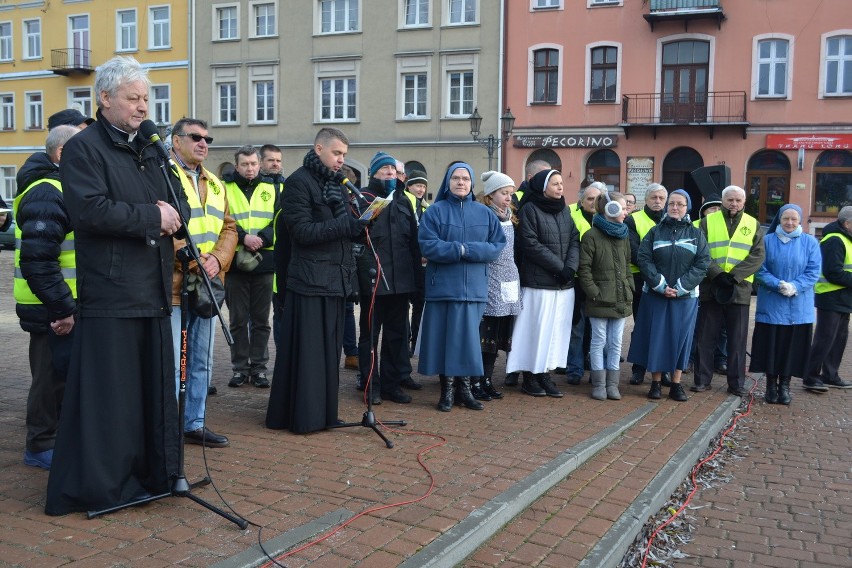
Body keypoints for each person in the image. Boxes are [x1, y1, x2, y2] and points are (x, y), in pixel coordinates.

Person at [45, 55, 187, 515]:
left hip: (152, 288)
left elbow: (179, 202)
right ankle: (107, 484)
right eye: (133, 98)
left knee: (150, 392)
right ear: (105, 98)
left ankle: (151, 473)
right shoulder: (85, 148)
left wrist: (171, 213)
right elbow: (89, 211)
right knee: (114, 398)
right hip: (111, 291)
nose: (143, 107)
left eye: (146, 98)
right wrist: (153, 216)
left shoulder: (150, 147)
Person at [266, 127, 366, 433]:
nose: (341, 160)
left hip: (335, 280)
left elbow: (340, 229)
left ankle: (324, 413)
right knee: (309, 354)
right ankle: (304, 416)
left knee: (329, 355)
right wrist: (346, 225)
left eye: (344, 155)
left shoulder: (336, 184)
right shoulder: (298, 183)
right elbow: (303, 232)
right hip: (308, 282)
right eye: (337, 153)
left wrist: (361, 224)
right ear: (318, 149)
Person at [14, 125, 80, 469]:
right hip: (50, 305)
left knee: (60, 375)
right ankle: (40, 445)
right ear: (61, 154)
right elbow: (39, 259)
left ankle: (54, 439)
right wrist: (61, 307)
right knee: (49, 377)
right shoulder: (47, 190)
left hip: (56, 301)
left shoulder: (58, 186)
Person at [169, 118, 237, 446]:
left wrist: (218, 260)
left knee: (201, 359)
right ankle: (167, 427)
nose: (203, 143)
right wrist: (197, 261)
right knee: (170, 362)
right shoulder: (164, 175)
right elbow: (165, 226)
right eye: (195, 137)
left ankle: (194, 422)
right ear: (175, 141)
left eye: (207, 138)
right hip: (173, 286)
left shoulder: (214, 181)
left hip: (207, 286)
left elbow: (229, 227)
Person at [418, 162, 505, 412]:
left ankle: (465, 390)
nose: (460, 182)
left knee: (467, 342)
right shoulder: (435, 212)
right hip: (443, 287)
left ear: (472, 183)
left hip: (474, 288)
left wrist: (470, 250)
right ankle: (447, 391)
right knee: (445, 341)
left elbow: (496, 245)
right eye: (456, 178)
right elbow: (428, 245)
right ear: (448, 181)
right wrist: (460, 249)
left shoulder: (485, 213)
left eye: (465, 178)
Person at [628, 190, 710, 402]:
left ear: (686, 208)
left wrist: (682, 286)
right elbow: (644, 259)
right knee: (656, 337)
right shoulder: (655, 232)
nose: (675, 207)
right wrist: (660, 285)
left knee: (681, 339)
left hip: (685, 297)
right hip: (656, 294)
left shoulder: (696, 233)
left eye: (680, 204)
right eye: (671, 203)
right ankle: (655, 383)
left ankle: (676, 383)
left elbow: (702, 263)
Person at [354, 151, 421, 405]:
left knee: (396, 336)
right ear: (374, 173)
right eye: (385, 170)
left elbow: (413, 244)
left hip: (401, 281)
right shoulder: (364, 198)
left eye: (393, 170)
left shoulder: (404, 201)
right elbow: (356, 238)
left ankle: (392, 384)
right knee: (369, 337)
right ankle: (370, 385)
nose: (390, 174)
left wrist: (416, 282)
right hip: (374, 280)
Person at [506, 169, 579, 398]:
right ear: (542, 187)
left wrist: (570, 269)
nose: (560, 188)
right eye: (555, 184)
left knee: (555, 332)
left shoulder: (565, 210)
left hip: (563, 285)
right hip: (539, 283)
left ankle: (545, 373)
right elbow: (530, 243)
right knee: (535, 331)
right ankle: (530, 376)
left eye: (561, 184)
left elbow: (574, 239)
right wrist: (560, 268)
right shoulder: (530, 209)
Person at [693, 185, 765, 397]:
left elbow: (758, 256)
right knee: (706, 338)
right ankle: (702, 380)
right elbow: (701, 250)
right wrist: (717, 274)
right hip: (711, 287)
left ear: (744, 202)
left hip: (739, 289)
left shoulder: (753, 224)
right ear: (722, 201)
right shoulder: (706, 222)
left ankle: (736, 384)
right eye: (730, 200)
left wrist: (733, 276)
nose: (734, 204)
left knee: (737, 340)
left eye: (738, 200)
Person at [748, 204, 820, 405]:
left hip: (798, 307)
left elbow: (814, 271)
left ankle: (785, 386)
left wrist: (795, 286)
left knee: (791, 348)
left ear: (800, 221)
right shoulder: (767, 241)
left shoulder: (810, 243)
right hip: (772, 305)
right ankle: (771, 385)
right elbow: (759, 269)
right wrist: (778, 285)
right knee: (772, 347)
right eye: (785, 218)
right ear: (779, 220)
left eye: (794, 219)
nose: (789, 223)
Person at [222, 146, 277, 388]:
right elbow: (223, 219)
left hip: (264, 261)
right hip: (235, 262)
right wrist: (244, 237)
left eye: (254, 163)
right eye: (245, 164)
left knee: (261, 320)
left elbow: (279, 219)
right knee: (237, 320)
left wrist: (263, 239)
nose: (250, 168)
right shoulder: (225, 187)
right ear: (237, 166)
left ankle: (259, 368)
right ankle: (240, 368)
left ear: (259, 164)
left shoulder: (273, 187)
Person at [577, 191, 633, 400]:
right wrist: (594, 292)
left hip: (620, 297)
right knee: (599, 340)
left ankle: (612, 384)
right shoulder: (591, 236)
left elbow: (627, 264)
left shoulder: (624, 234)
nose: (626, 212)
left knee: (616, 341)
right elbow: (584, 269)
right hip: (599, 299)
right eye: (623, 207)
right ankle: (599, 384)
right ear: (611, 209)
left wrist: (629, 287)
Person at [476, 171, 522, 401]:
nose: (508, 198)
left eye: (510, 194)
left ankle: (488, 378)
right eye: (504, 193)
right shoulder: (485, 215)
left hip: (508, 278)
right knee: (487, 332)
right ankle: (478, 379)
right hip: (491, 278)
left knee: (500, 333)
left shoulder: (508, 215)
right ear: (491, 194)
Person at [804, 206, 852, 393]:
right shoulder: (834, 240)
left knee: (839, 339)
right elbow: (833, 272)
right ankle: (811, 376)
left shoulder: (846, 239)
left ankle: (830, 375)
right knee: (825, 339)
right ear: (847, 223)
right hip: (830, 296)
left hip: (843, 297)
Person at [625, 183, 668, 385]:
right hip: (640, 280)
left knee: (664, 327)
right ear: (646, 200)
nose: (658, 201)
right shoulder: (633, 219)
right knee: (642, 326)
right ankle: (639, 369)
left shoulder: (671, 220)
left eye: (661, 198)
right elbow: (634, 252)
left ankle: (662, 369)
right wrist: (654, 273)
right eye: (654, 198)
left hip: (666, 282)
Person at [564, 181, 603, 385]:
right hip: (578, 281)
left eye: (597, 199)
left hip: (599, 282)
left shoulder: (606, 219)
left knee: (596, 330)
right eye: (589, 198)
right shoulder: (572, 216)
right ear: (581, 200)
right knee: (577, 329)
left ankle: (594, 368)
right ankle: (574, 370)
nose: (593, 202)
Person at [687, 196, 728, 375]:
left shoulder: (727, 226)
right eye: (712, 209)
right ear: (703, 211)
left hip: (723, 281)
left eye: (719, 208)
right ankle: (690, 357)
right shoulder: (694, 226)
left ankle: (720, 358)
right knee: (697, 324)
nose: (716, 212)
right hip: (700, 282)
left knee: (723, 326)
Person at [404, 170, 429, 357]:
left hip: (422, 265)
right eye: (417, 185)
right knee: (403, 306)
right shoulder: (405, 204)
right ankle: (406, 341)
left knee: (419, 305)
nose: (421, 189)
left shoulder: (426, 208)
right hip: (407, 263)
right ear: (409, 186)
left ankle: (415, 342)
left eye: (423, 186)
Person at [339, 163, 360, 372]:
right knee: (344, 311)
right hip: (338, 259)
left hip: (350, 262)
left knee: (347, 310)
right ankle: (350, 353)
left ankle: (351, 353)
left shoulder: (354, 202)